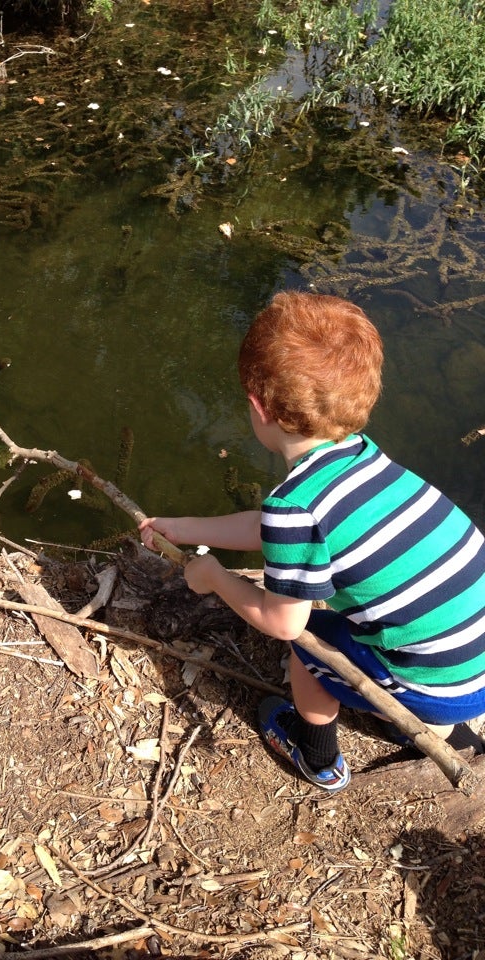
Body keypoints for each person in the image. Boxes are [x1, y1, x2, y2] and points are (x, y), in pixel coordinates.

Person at [139, 291, 485, 794]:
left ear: (258, 408)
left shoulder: (297, 507)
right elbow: (272, 530)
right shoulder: (366, 460)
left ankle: (318, 758)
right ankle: (442, 726)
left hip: (438, 687)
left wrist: (214, 577)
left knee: (310, 650)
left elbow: (284, 624)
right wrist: (185, 528)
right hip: (474, 664)